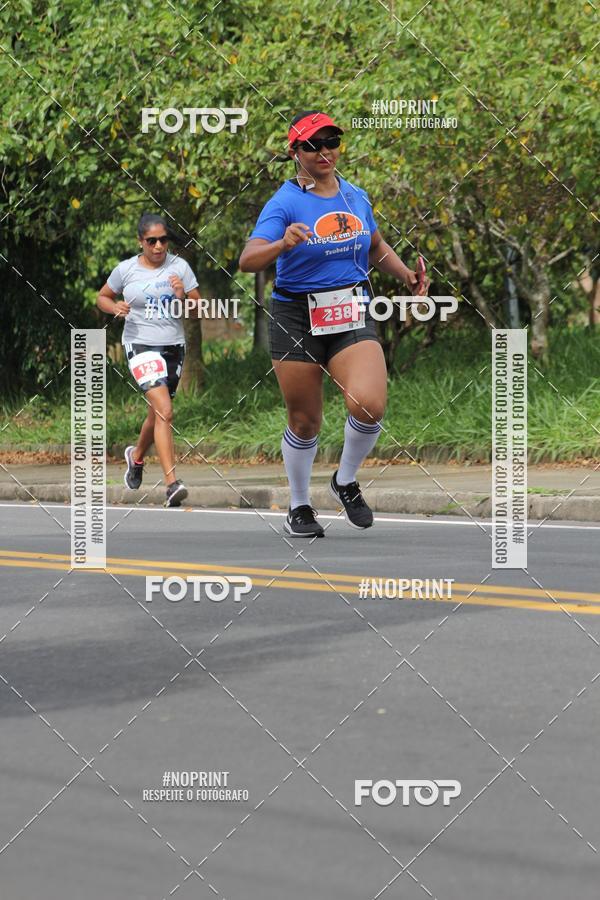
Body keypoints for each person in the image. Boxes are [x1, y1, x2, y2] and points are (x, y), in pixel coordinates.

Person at [239, 110, 430, 537]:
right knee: (305, 421)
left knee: (369, 404)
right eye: (313, 144)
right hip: (295, 315)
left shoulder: (355, 196)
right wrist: (281, 243)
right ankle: (300, 505)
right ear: (296, 152)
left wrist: (407, 277)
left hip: (349, 307)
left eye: (331, 142)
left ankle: (345, 480)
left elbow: (375, 245)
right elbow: (247, 259)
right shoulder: (284, 202)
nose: (325, 151)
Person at [97, 213, 201, 507]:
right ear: (140, 241)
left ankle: (136, 455)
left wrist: (182, 295)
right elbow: (102, 297)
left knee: (157, 413)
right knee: (166, 411)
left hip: (173, 346)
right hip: (140, 344)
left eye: (163, 240)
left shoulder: (180, 267)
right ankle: (172, 483)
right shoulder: (126, 269)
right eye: (151, 241)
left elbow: (197, 309)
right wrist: (114, 306)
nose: (158, 246)